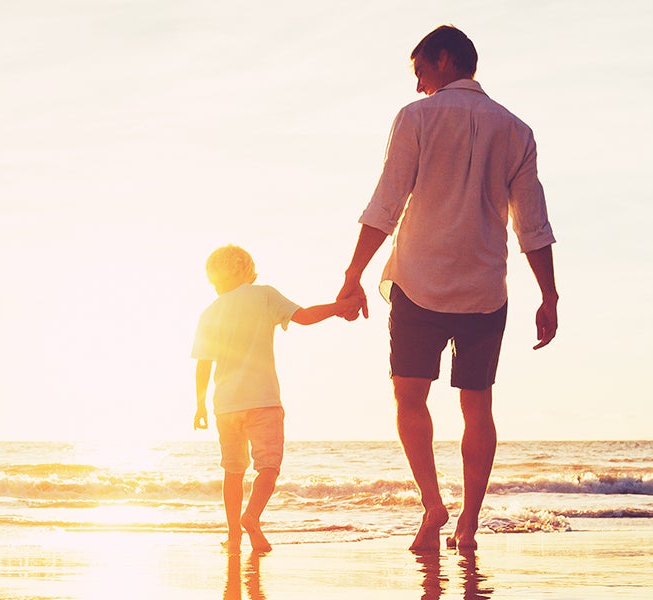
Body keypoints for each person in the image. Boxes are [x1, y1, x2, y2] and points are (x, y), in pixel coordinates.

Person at [336, 25, 560, 553]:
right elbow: (533, 223)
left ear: (443, 59)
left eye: (420, 72)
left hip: (418, 283)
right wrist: (549, 295)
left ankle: (433, 502)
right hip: (485, 288)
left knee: (408, 397)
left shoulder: (417, 117)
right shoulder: (517, 129)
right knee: (477, 405)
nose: (418, 86)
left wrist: (353, 273)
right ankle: (468, 522)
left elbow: (386, 204)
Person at [194, 244, 361, 554]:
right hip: (262, 400)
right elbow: (306, 317)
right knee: (268, 467)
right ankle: (252, 517)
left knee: (232, 471)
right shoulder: (264, 295)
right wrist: (341, 306)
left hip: (225, 405)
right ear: (246, 270)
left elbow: (204, 363)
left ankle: (233, 536)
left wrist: (200, 404)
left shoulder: (209, 313)